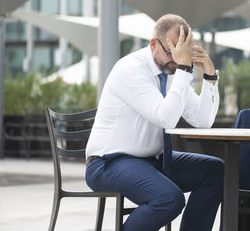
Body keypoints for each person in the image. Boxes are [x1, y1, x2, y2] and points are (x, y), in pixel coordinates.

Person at [85, 14, 223, 231]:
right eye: (172, 52)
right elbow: (165, 117)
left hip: (153, 161)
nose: (176, 60)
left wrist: (209, 77)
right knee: (170, 198)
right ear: (153, 44)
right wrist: (185, 69)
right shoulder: (130, 70)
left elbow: (203, 120)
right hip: (109, 162)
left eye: (182, 53)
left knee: (215, 170)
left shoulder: (172, 72)